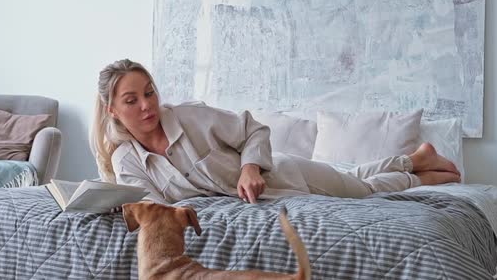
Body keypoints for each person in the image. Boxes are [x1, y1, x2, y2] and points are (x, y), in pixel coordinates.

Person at [91, 59, 460, 205]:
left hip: (285, 173)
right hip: (273, 199)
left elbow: (254, 130)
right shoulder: (127, 160)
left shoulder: (189, 117)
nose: (146, 105)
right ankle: (416, 161)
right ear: (113, 111)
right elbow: (155, 208)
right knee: (352, 178)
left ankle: (416, 169)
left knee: (362, 190)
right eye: (131, 100)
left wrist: (250, 168)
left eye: (149, 92)